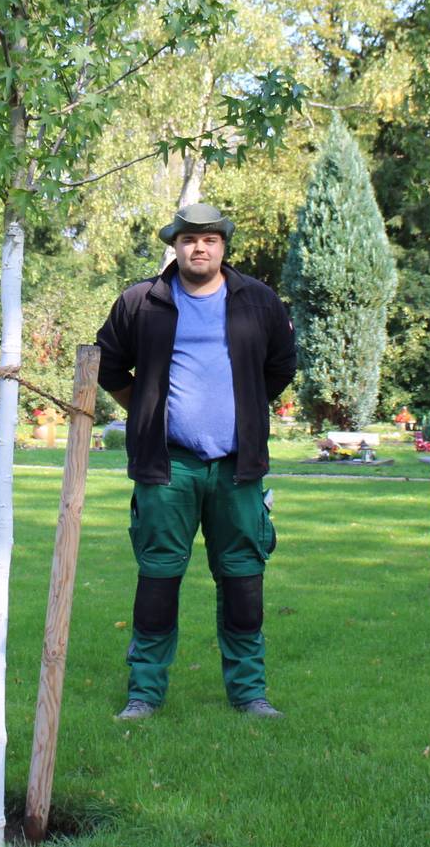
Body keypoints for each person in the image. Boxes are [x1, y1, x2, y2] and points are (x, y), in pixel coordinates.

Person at [95, 202, 297, 720]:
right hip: (168, 467)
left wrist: (245, 407)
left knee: (244, 580)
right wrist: (146, 409)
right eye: (188, 239)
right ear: (175, 246)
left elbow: (280, 367)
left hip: (238, 468)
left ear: (223, 246)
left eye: (209, 239)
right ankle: (144, 693)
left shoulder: (258, 301)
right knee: (158, 580)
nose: (199, 248)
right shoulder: (142, 302)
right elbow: (108, 364)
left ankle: (249, 693)